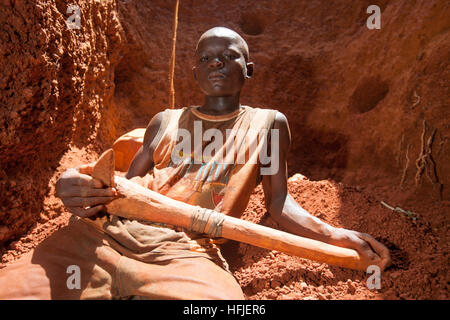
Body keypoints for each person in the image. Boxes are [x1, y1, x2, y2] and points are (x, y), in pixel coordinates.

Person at [0, 27, 390, 300]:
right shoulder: (164, 121)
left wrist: (330, 233)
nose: (216, 64)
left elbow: (279, 205)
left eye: (228, 57)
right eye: (206, 58)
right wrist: (78, 187)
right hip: (98, 239)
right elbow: (123, 190)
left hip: (185, 253)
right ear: (195, 72)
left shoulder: (268, 124)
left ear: (248, 69)